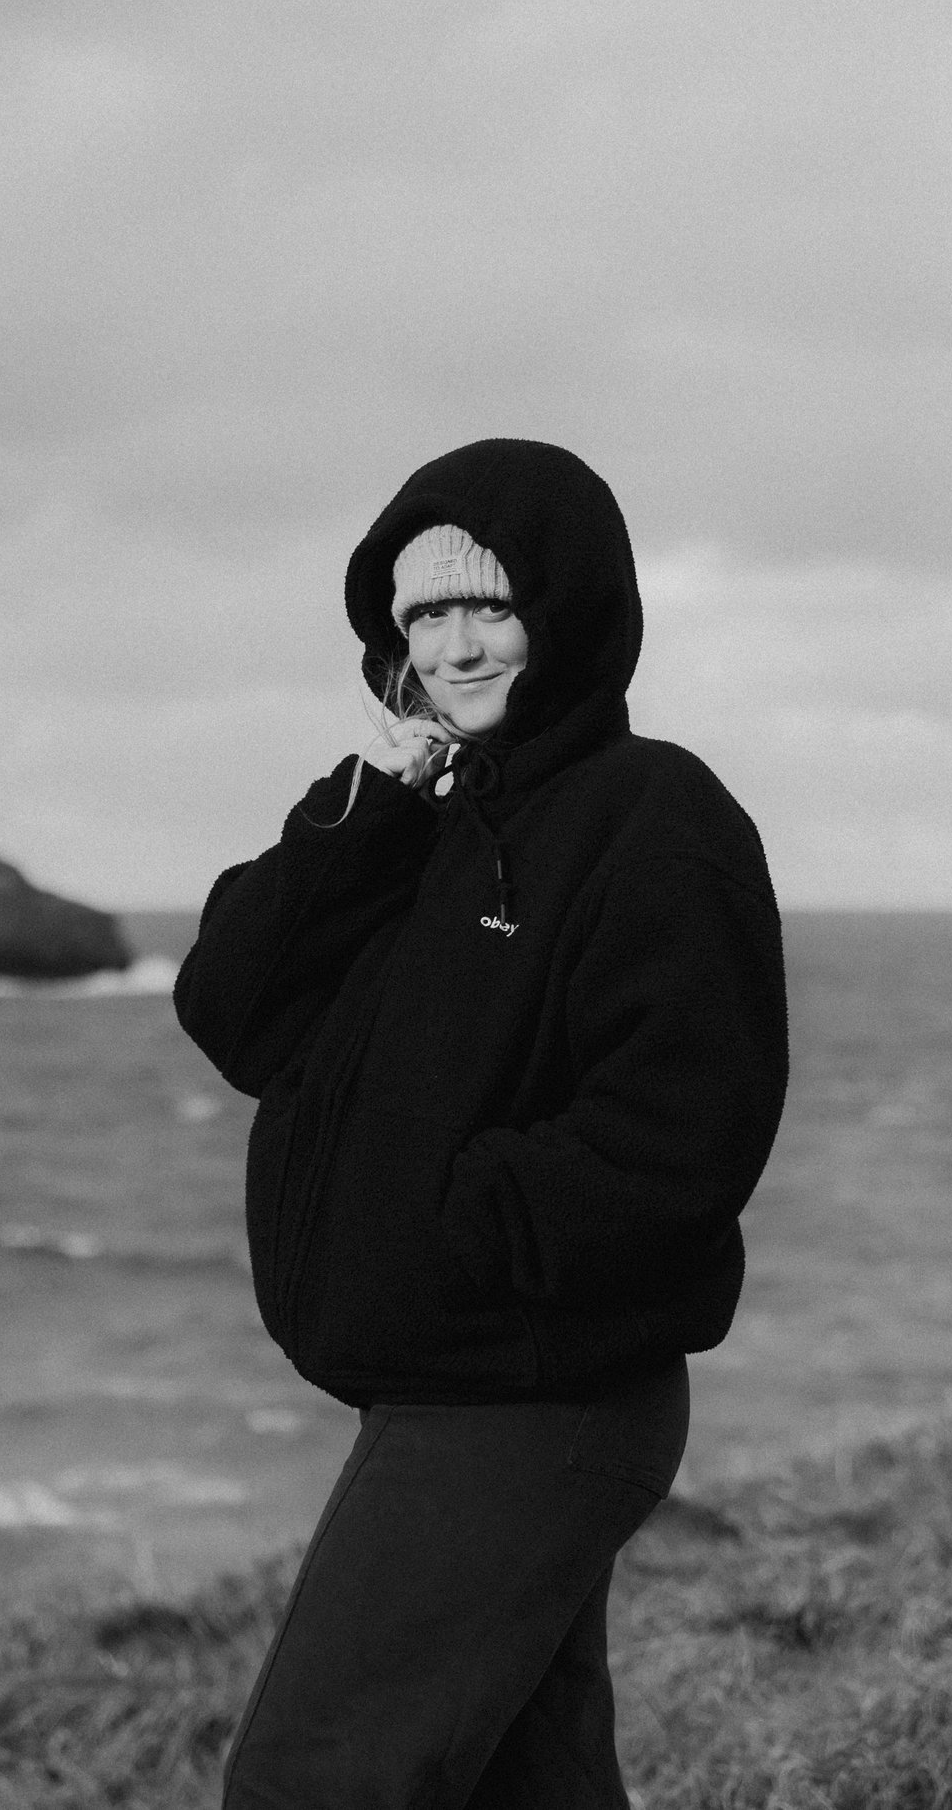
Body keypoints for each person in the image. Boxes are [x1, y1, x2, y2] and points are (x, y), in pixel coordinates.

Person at [175, 438, 788, 1808]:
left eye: (488, 605)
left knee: (310, 1785)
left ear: (565, 607)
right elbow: (233, 1011)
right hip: (454, 1387)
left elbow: (683, 1132)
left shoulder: (658, 818)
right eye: (424, 614)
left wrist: (453, 1231)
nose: (454, 645)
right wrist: (370, 810)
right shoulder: (420, 825)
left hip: (537, 1396)